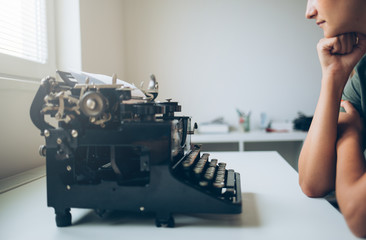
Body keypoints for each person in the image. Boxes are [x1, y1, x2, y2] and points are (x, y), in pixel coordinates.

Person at [298, 0, 366, 237]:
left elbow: (360, 215)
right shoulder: (364, 70)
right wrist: (333, 77)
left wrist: (350, 135)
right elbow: (312, 183)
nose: (309, 12)